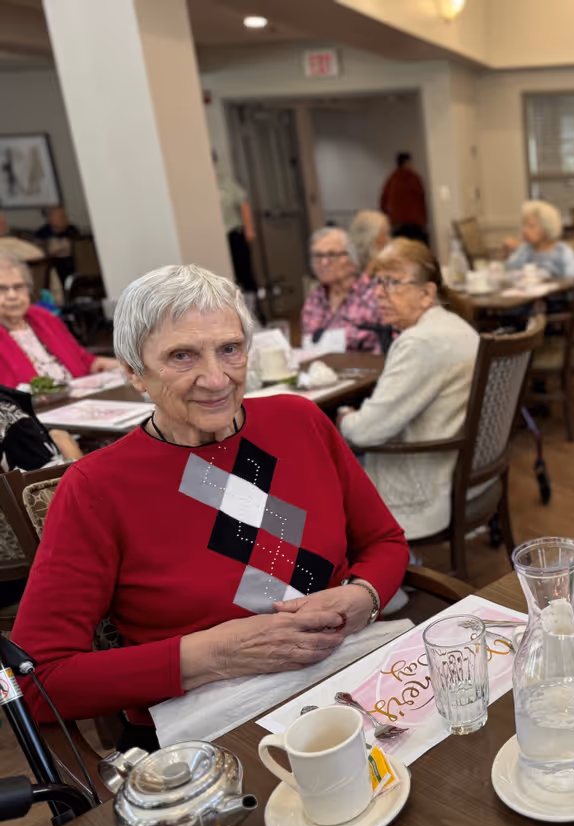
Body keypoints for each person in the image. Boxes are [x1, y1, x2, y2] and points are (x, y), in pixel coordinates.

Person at [10, 264, 410, 749]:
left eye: (229, 349)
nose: (216, 378)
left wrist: (364, 597)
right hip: (218, 727)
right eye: (182, 356)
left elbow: (384, 542)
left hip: (355, 678)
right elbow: (33, 681)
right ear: (134, 371)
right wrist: (215, 654)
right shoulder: (96, 487)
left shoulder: (299, 421)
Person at [339, 239, 482, 539]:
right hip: (463, 475)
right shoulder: (455, 326)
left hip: (423, 488)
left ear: (426, 293)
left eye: (392, 282)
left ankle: (370, 575)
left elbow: (364, 433)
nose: (379, 293)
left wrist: (343, 417)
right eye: (378, 282)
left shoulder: (420, 342)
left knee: (312, 474)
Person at [0, 253, 120, 386]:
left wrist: (130, 368)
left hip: (79, 398)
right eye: (2, 289)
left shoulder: (43, 318)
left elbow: (85, 361)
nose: (12, 295)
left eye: (18, 287)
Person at [301, 227, 383, 353]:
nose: (324, 262)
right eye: (318, 256)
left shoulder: (374, 294)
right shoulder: (313, 299)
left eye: (332, 254)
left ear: (352, 259)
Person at [0, 384, 82, 472]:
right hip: (33, 478)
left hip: (50, 460)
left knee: (59, 434)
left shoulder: (7, 396)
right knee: (61, 437)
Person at [502, 200, 574, 280]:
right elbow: (508, 271)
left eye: (531, 227)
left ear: (546, 229)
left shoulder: (562, 252)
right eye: (524, 225)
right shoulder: (525, 249)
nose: (524, 230)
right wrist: (508, 253)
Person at [215, 156, 258, 295]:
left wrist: (249, 229)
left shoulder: (226, 183)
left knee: (244, 273)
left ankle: (252, 310)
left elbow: (243, 202)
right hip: (218, 237)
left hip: (234, 233)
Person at [379, 153, 429, 246]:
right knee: (418, 251)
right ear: (407, 162)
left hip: (399, 224)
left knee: (402, 251)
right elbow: (421, 200)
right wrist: (423, 221)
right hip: (415, 224)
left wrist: (390, 218)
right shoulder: (415, 178)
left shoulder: (391, 180)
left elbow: (383, 202)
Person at [33, 206, 80, 284]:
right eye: (60, 216)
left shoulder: (72, 230)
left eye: (64, 216)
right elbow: (43, 252)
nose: (64, 218)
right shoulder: (42, 233)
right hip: (53, 265)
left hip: (73, 264)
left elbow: (77, 249)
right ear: (50, 219)